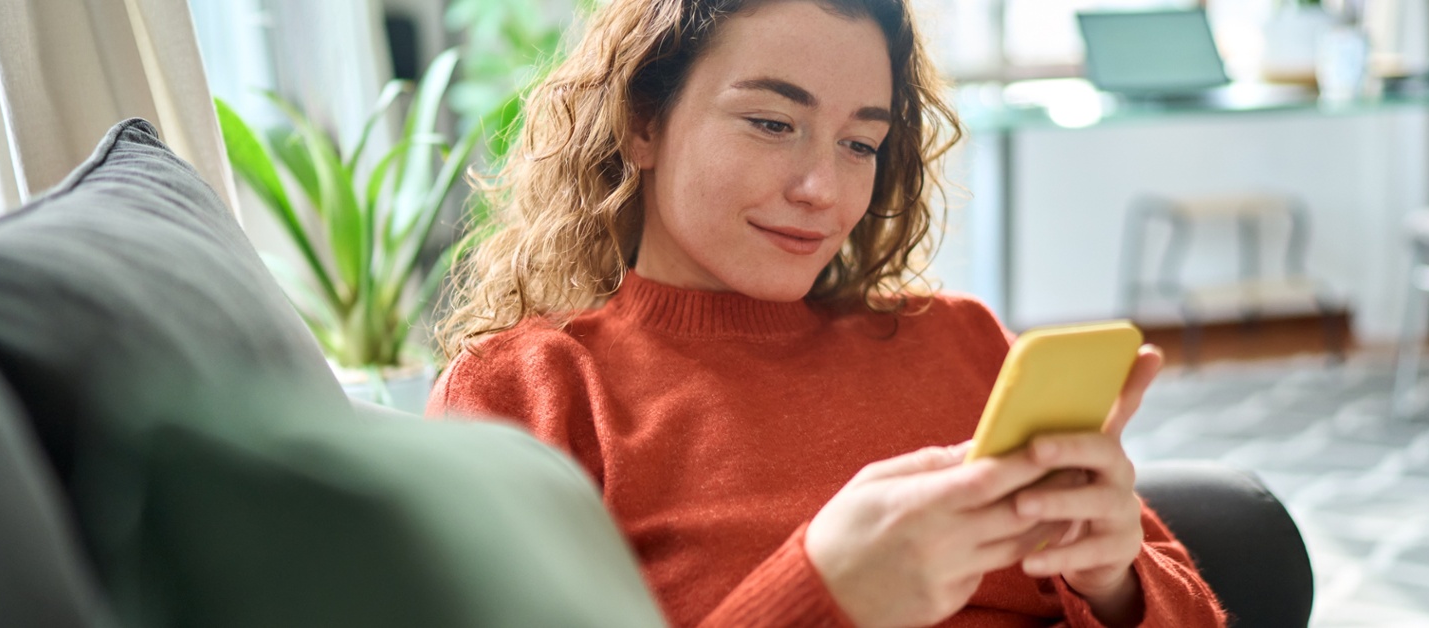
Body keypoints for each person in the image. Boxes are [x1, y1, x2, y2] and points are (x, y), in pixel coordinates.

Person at [428, 0, 1227, 625]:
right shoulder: (529, 393)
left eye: (860, 144)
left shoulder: (962, 339)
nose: (823, 190)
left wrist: (1115, 582)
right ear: (642, 122)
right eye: (773, 124)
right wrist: (823, 593)